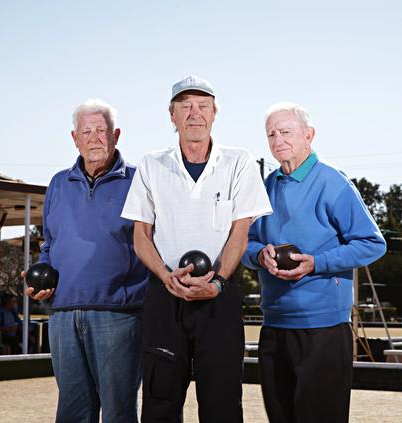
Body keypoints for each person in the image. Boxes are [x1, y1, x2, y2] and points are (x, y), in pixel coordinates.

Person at [121, 75, 272, 422]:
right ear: (171, 116)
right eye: (185, 106)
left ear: (214, 113)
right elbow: (141, 235)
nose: (194, 113)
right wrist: (164, 275)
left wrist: (217, 281)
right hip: (164, 295)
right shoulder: (151, 164)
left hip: (219, 296)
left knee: (221, 403)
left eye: (202, 106)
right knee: (159, 402)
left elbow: (241, 230)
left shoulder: (239, 162)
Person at [241, 102, 387, 423]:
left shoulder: (333, 183)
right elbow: (243, 244)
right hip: (274, 327)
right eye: (271, 134)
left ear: (309, 135)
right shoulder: (264, 188)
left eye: (286, 132)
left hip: (323, 330)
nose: (278, 140)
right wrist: (258, 255)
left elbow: (372, 243)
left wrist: (316, 263)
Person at [26, 99, 149, 423]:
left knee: (118, 412)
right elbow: (49, 245)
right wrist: (40, 279)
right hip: (63, 315)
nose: (94, 138)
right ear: (74, 138)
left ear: (116, 135)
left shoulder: (140, 181)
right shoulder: (57, 184)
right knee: (72, 412)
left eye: (101, 130)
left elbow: (154, 245)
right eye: (86, 131)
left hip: (119, 317)